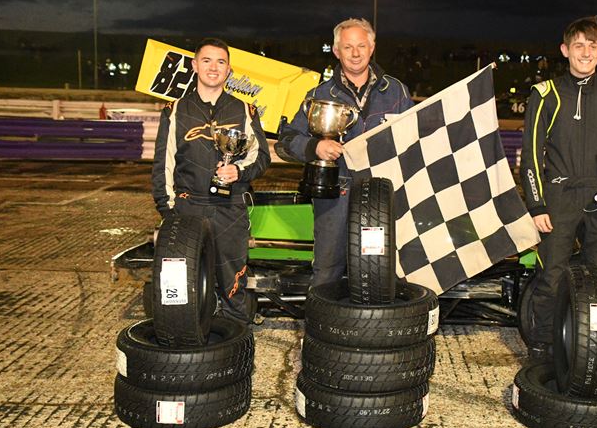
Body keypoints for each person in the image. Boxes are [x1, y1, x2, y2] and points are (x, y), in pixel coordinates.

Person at [520, 16, 597, 360]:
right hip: (558, 198)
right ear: (565, 50)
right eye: (578, 46)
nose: (585, 53)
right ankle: (541, 350)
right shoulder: (545, 94)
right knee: (551, 275)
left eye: (592, 46)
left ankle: (596, 353)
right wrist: (537, 205)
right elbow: (530, 155)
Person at [278, 18, 414, 287]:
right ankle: (320, 315)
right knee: (327, 273)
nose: (355, 53)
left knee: (381, 271)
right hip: (335, 196)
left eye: (361, 46)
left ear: (372, 48)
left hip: (382, 195)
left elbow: (414, 139)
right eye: (348, 47)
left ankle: (379, 315)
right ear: (336, 51)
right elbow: (286, 141)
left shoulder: (396, 91)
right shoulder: (319, 94)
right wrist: (315, 147)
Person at [152, 37, 270, 322]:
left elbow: (261, 157)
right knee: (183, 284)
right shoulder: (175, 110)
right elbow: (163, 164)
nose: (213, 68)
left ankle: (237, 335)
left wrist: (238, 171)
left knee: (232, 283)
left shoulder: (245, 110)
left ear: (229, 69)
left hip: (230, 208)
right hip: (187, 208)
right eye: (206, 61)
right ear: (195, 65)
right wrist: (168, 211)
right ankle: (184, 337)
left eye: (220, 62)